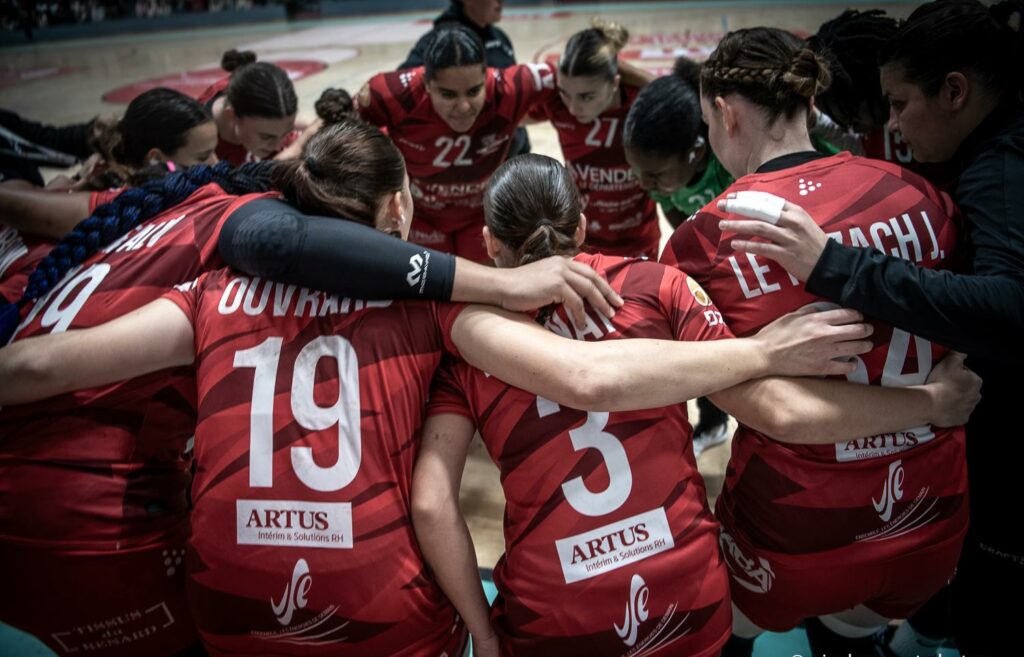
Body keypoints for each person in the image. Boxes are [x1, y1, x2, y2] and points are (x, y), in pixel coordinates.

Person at [0, 122, 888, 656]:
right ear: (398, 216)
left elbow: (34, 367)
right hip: (415, 599)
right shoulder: (445, 313)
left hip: (231, 590)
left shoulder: (208, 290)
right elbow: (586, 374)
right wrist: (765, 352)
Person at [411, 154, 979, 657]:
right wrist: (763, 351)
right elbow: (768, 404)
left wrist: (481, 634)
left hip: (554, 609)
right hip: (685, 591)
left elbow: (434, 506)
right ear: (581, 226)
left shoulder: (465, 336)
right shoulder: (659, 283)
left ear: (488, 242)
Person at [720, 3, 1024, 654]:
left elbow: (1007, 308)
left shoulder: (992, 172)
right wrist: (932, 403)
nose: (885, 127)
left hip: (807, 521)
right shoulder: (933, 196)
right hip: (927, 506)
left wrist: (836, 265)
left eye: (894, 105)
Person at [659, 27, 972, 656]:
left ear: (723, 112)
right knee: (855, 636)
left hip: (795, 528)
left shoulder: (702, 243)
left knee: (732, 631)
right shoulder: (922, 195)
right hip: (928, 511)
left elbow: (757, 404)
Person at [0, 87, 217, 308]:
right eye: (203, 156)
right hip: (20, 303)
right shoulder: (122, 200)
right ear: (156, 158)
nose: (216, 163)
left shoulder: (108, 181)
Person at [356, 23, 556, 262]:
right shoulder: (391, 94)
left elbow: (580, 72)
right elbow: (336, 122)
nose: (463, 106)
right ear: (426, 83)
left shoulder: (511, 87)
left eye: (474, 91)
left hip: (482, 217)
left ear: (486, 76)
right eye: (448, 94)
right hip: (421, 218)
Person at [528, 19, 659, 258]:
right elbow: (497, 112)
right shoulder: (556, 103)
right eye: (565, 93)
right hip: (580, 237)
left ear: (615, 84)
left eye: (586, 97)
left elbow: (685, 94)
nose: (574, 107)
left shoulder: (643, 103)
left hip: (638, 237)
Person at [399, 0, 531, 158]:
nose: (501, 2)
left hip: (509, 154)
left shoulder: (500, 37)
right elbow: (403, 88)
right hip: (465, 164)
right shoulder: (441, 41)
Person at [198, 49, 298, 166]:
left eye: (285, 134)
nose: (277, 147)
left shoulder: (266, 118)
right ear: (233, 115)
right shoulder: (197, 141)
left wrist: (295, 148)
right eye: (266, 137)